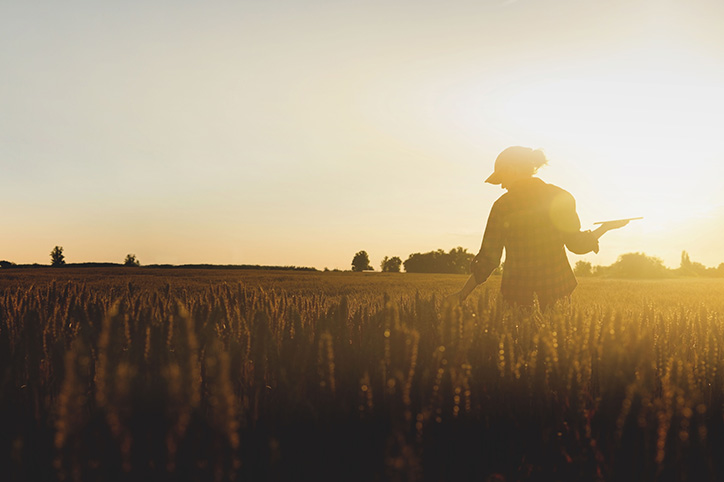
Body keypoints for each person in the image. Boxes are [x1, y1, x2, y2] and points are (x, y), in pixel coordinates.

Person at [448, 146, 629, 309]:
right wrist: (605, 228)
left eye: (502, 178)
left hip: (517, 296)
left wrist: (462, 294)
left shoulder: (502, 206)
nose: (502, 185)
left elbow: (488, 259)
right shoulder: (560, 197)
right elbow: (577, 245)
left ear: (512, 170)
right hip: (557, 292)